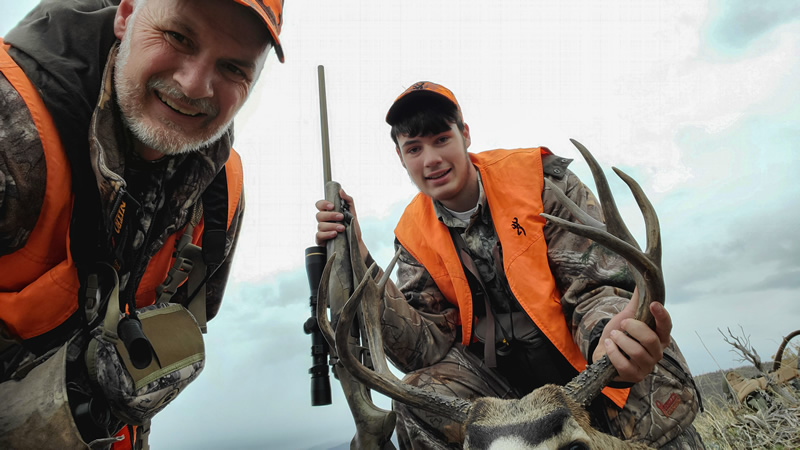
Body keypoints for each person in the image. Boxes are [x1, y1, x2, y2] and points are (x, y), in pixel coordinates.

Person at [314, 82, 704, 449]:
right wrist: (359, 255)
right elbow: (425, 349)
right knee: (417, 399)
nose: (431, 160)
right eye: (414, 148)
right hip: (503, 401)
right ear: (400, 157)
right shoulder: (413, 235)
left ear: (465, 134)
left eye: (441, 139)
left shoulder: (541, 183)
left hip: (588, 372)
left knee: (636, 349)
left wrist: (608, 336)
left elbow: (598, 286)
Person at [0, 0, 285, 447]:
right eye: (178, 37)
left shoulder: (221, 192)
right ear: (127, 15)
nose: (194, 86)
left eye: (233, 67)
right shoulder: (11, 126)